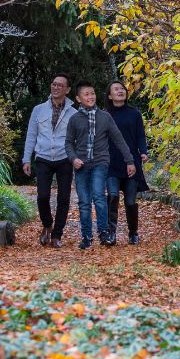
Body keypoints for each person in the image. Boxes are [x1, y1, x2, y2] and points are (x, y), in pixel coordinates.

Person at [64, 81, 134, 249]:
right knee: (84, 202)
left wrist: (129, 160)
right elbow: (68, 143)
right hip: (81, 166)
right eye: (86, 94)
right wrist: (73, 159)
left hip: (100, 163)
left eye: (93, 93)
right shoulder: (74, 119)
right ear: (78, 98)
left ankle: (104, 232)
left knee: (99, 196)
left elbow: (118, 139)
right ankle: (87, 236)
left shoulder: (105, 117)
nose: (91, 97)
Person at [21, 73, 78, 247]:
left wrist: (76, 159)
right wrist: (26, 159)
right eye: (54, 84)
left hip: (64, 157)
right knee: (43, 195)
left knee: (63, 197)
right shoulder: (39, 109)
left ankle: (57, 235)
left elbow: (77, 139)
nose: (56, 87)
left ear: (67, 90)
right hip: (43, 157)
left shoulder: (74, 113)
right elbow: (31, 135)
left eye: (60, 85)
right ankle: (47, 225)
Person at [104, 81, 149, 245]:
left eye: (122, 88)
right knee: (113, 196)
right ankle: (111, 233)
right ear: (109, 95)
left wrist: (143, 151)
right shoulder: (105, 115)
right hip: (111, 162)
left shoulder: (134, 113)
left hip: (131, 162)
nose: (120, 91)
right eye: (116, 89)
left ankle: (133, 233)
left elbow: (140, 136)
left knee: (130, 201)